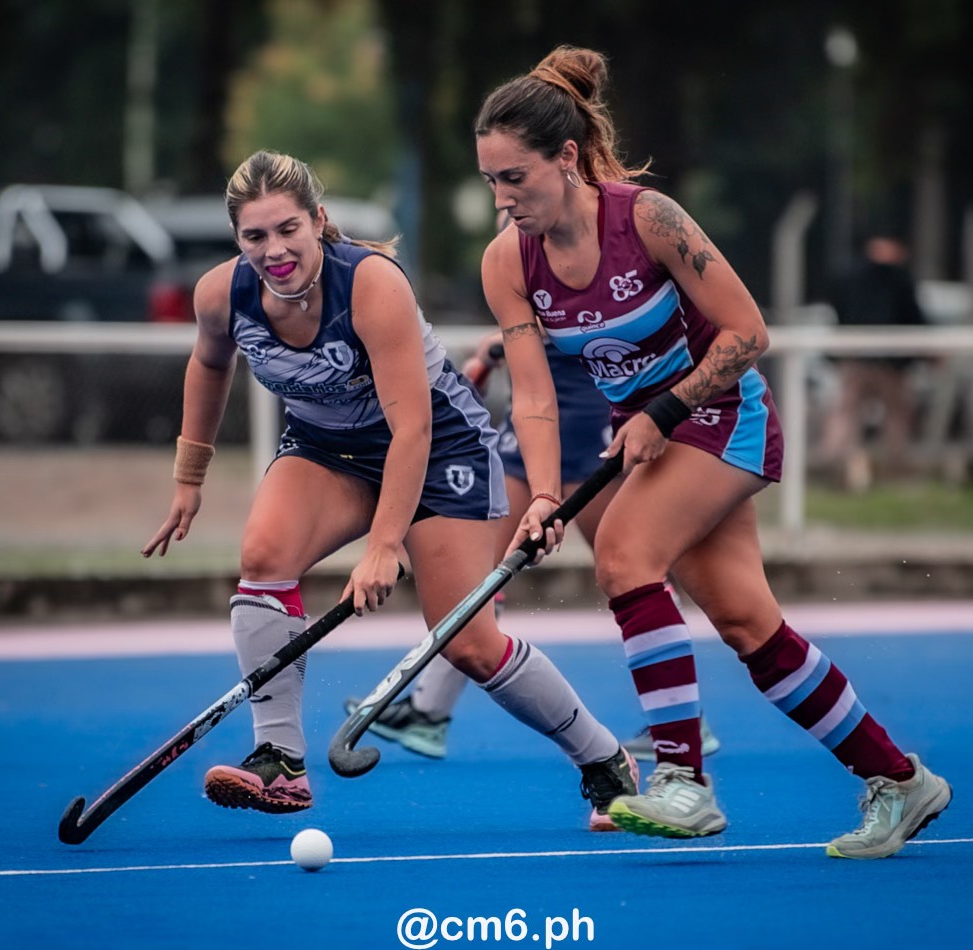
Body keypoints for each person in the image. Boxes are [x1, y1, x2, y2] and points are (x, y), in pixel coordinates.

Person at [473, 47, 951, 858]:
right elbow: (534, 397)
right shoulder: (506, 262)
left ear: (564, 158)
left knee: (624, 553)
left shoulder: (648, 219)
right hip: (657, 435)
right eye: (490, 180)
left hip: (724, 416)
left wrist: (668, 405)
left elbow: (749, 333)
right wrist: (546, 496)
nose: (502, 197)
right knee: (746, 624)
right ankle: (900, 780)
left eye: (515, 177)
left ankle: (683, 780)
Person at [142, 149, 638, 830]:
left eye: (288, 229)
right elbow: (209, 363)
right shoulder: (220, 294)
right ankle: (280, 763)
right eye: (255, 236)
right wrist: (188, 479)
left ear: (318, 221)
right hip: (329, 450)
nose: (274, 249)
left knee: (467, 642)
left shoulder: (372, 286)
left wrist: (383, 546)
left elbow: (412, 430)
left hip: (438, 449)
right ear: (237, 240)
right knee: (262, 558)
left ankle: (606, 761)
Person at [345, 327, 720, 764]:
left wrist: (519, 336)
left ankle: (683, 717)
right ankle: (430, 711)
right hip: (530, 417)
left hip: (579, 415)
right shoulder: (512, 261)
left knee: (630, 570)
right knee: (481, 571)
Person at [816, 235, 928, 491]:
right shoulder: (900, 279)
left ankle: (831, 462)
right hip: (891, 359)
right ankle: (895, 468)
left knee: (845, 413)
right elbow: (913, 316)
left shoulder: (849, 276)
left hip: (855, 355)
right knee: (895, 416)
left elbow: (836, 311)